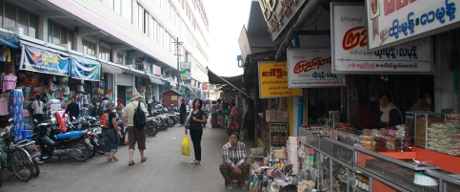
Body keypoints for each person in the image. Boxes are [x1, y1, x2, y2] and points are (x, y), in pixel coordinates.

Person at [123, 92, 148, 166]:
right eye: (139, 98)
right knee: (141, 141)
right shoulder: (141, 105)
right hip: (139, 127)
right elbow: (144, 116)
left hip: (130, 126)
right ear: (137, 98)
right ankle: (142, 157)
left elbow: (124, 118)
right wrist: (144, 124)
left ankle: (130, 159)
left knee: (131, 143)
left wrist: (124, 127)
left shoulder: (127, 106)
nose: (140, 99)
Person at [185, 98, 207, 165]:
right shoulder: (192, 111)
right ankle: (196, 159)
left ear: (200, 104)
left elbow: (204, 120)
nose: (197, 104)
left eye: (198, 103)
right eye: (196, 102)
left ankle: (198, 159)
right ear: (194, 103)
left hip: (198, 129)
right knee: (194, 144)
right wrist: (186, 129)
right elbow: (188, 120)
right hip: (192, 129)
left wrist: (197, 120)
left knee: (197, 144)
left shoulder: (201, 112)